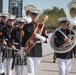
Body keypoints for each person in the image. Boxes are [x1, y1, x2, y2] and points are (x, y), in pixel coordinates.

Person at [22, 7, 49, 75]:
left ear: (38, 16)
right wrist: (22, 52)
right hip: (29, 50)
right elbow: (24, 40)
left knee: (35, 70)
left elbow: (47, 40)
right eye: (33, 15)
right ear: (31, 15)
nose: (34, 17)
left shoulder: (42, 26)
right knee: (30, 70)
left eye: (36, 15)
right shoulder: (26, 26)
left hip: (38, 50)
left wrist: (39, 37)